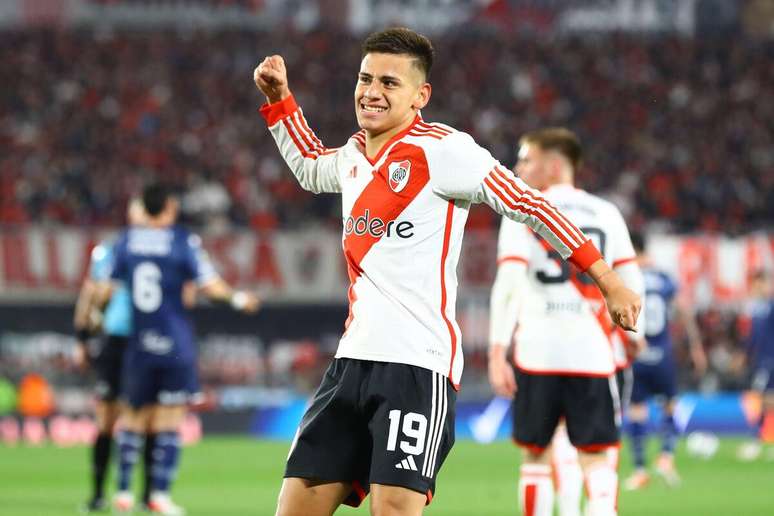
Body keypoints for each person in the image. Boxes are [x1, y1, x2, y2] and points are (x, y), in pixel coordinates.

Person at [254, 28, 640, 516]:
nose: (371, 91)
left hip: (417, 363)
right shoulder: (354, 155)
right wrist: (280, 101)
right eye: (365, 78)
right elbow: (311, 166)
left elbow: (530, 204)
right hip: (351, 361)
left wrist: (606, 278)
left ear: (421, 95)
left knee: (394, 509)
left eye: (389, 83)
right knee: (295, 507)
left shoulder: (445, 150)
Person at [487, 127, 645, 516]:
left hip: (537, 352)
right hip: (591, 352)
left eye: (527, 159)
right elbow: (629, 282)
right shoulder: (606, 213)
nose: (518, 167)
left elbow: (508, 284)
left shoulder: (521, 208)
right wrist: (634, 334)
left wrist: (496, 350)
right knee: (596, 458)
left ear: (555, 165)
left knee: (536, 456)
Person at [106, 183, 259, 515]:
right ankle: (159, 495)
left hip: (139, 342)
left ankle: (121, 491)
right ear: (169, 208)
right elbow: (209, 285)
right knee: (169, 419)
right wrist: (237, 298)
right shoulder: (181, 242)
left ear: (143, 208)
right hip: (174, 342)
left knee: (132, 417)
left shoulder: (126, 241)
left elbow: (107, 287)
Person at [73, 198, 154, 512]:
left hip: (147, 341)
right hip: (115, 342)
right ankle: (97, 494)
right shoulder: (110, 251)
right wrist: (81, 338)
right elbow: (90, 294)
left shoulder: (164, 252)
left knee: (147, 420)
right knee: (106, 420)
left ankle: (149, 495)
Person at [623, 232, 707, 490]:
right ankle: (666, 457)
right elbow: (683, 310)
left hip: (637, 354)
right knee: (670, 406)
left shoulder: (627, 277)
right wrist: (695, 346)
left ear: (633, 251)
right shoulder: (664, 279)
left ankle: (639, 470)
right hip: (663, 354)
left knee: (637, 410)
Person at [736, 270, 774, 461]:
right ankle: (757, 440)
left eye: (762, 283)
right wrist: (746, 354)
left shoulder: (770, 305)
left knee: (762, 399)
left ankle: (755, 441)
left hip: (769, 359)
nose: (759, 287)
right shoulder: (754, 307)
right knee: (765, 399)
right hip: (761, 359)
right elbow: (752, 336)